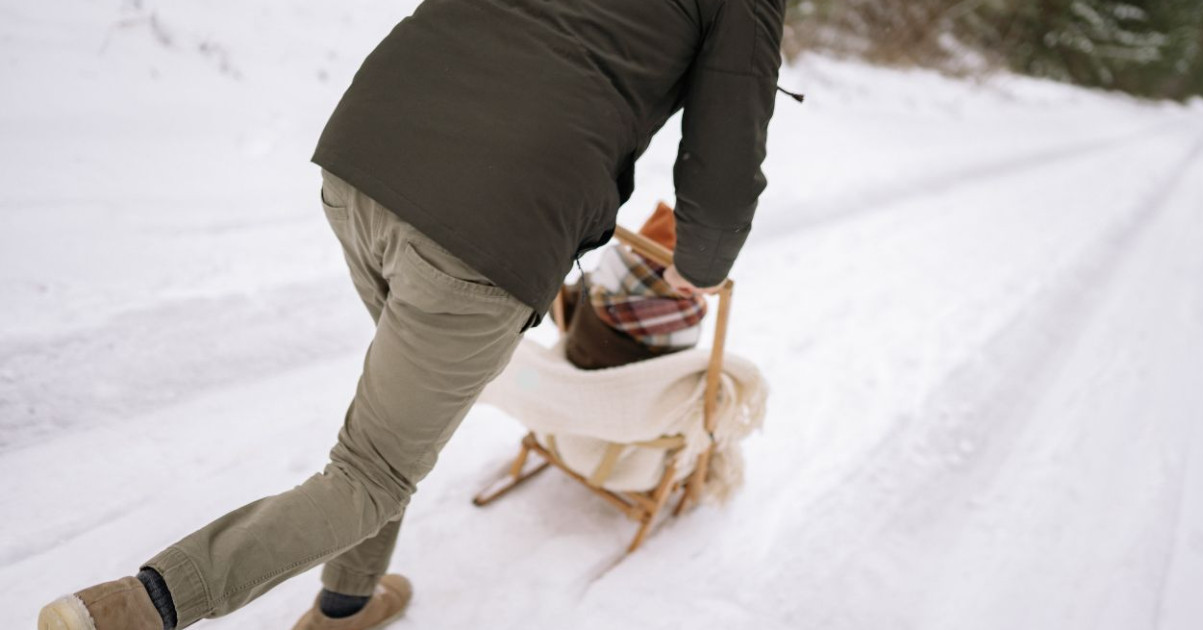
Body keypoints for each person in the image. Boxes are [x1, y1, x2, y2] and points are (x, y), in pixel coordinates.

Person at [37, 0, 785, 628]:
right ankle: (136, 608)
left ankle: (347, 603)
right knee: (372, 474)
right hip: (491, 219)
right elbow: (722, 167)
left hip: (367, 150)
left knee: (385, 437)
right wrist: (700, 270)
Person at [563, 202, 710, 370]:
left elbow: (561, 308)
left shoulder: (600, 282)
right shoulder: (688, 321)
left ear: (636, 253)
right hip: (640, 384)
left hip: (579, 361)